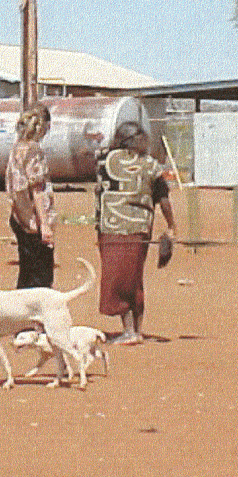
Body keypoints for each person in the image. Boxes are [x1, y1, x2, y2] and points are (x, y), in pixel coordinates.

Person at [95, 121, 176, 345]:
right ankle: (135, 330)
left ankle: (130, 331)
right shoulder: (150, 165)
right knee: (132, 279)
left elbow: (162, 197)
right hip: (138, 229)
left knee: (121, 280)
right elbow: (163, 198)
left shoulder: (106, 159)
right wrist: (171, 227)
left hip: (114, 229)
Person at [5, 102, 57, 289]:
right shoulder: (34, 151)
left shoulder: (17, 149)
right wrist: (44, 225)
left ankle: (21, 315)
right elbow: (37, 189)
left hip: (19, 217)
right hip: (33, 221)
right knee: (41, 277)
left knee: (26, 272)